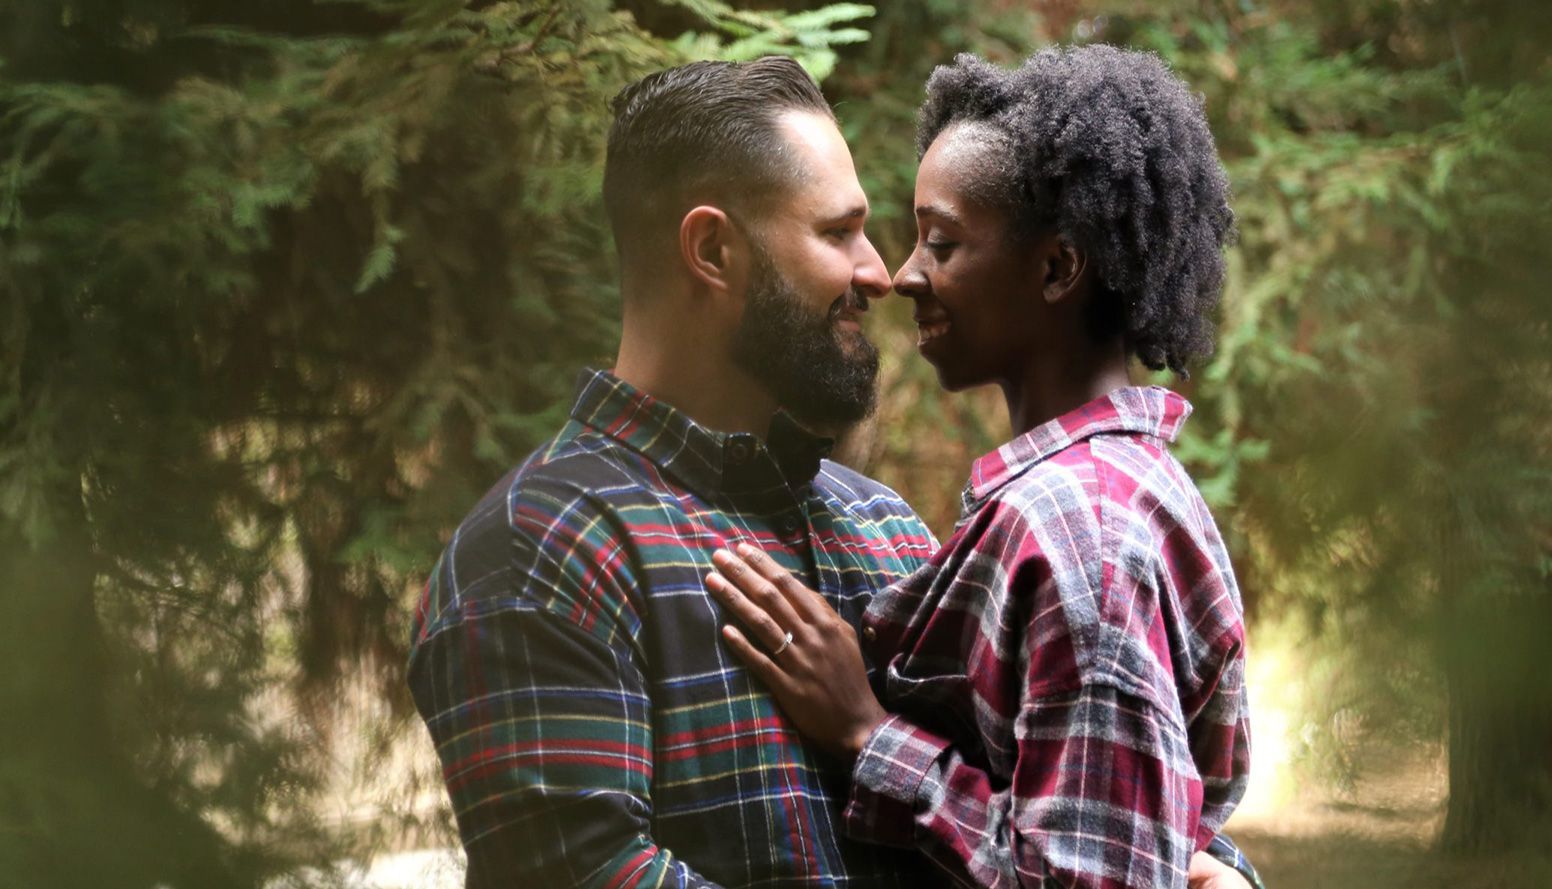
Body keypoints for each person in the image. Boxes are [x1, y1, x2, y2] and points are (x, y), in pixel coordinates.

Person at [704, 46, 1260, 889]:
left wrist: (865, 729)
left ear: (1056, 268)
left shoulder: (1082, 532)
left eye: (942, 242)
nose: (902, 275)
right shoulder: (1116, 491)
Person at [405, 57, 940, 887]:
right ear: (713, 248)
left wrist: (1200, 861)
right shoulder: (540, 549)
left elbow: (1037, 793)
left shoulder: (889, 531)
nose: (879, 272)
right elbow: (589, 874)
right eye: (838, 233)